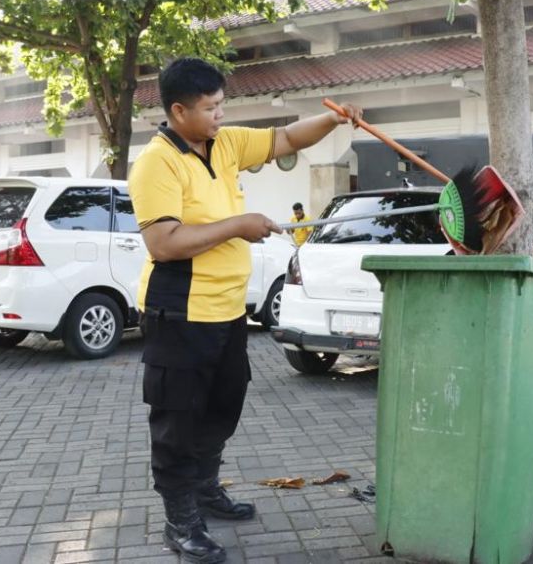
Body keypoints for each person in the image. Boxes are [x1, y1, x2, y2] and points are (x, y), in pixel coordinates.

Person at [128, 57, 361, 564]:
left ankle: (206, 489)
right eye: (210, 108)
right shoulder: (155, 163)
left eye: (222, 105)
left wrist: (333, 119)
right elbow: (164, 243)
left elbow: (286, 139)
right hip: (179, 312)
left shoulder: (226, 143)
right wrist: (238, 225)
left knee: (223, 406)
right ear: (178, 111)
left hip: (228, 311)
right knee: (177, 421)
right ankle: (180, 520)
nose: (220, 115)